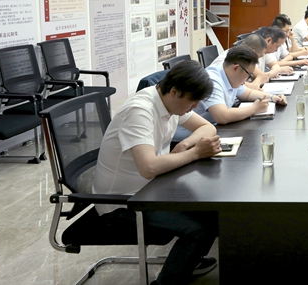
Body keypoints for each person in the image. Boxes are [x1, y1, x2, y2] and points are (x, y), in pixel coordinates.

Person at [92, 61, 220, 285]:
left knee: (215, 210)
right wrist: (194, 153)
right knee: (197, 229)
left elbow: (207, 127)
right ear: (175, 91)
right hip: (123, 203)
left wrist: (185, 145)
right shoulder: (140, 111)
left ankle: (187, 260)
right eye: (193, 101)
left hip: (152, 189)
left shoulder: (169, 101)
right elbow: (148, 167)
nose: (195, 107)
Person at [200, 45, 284, 124]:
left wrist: (272, 97)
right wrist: (254, 108)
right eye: (249, 75)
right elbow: (222, 117)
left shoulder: (230, 75)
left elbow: (248, 94)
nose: (247, 80)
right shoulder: (212, 80)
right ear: (235, 68)